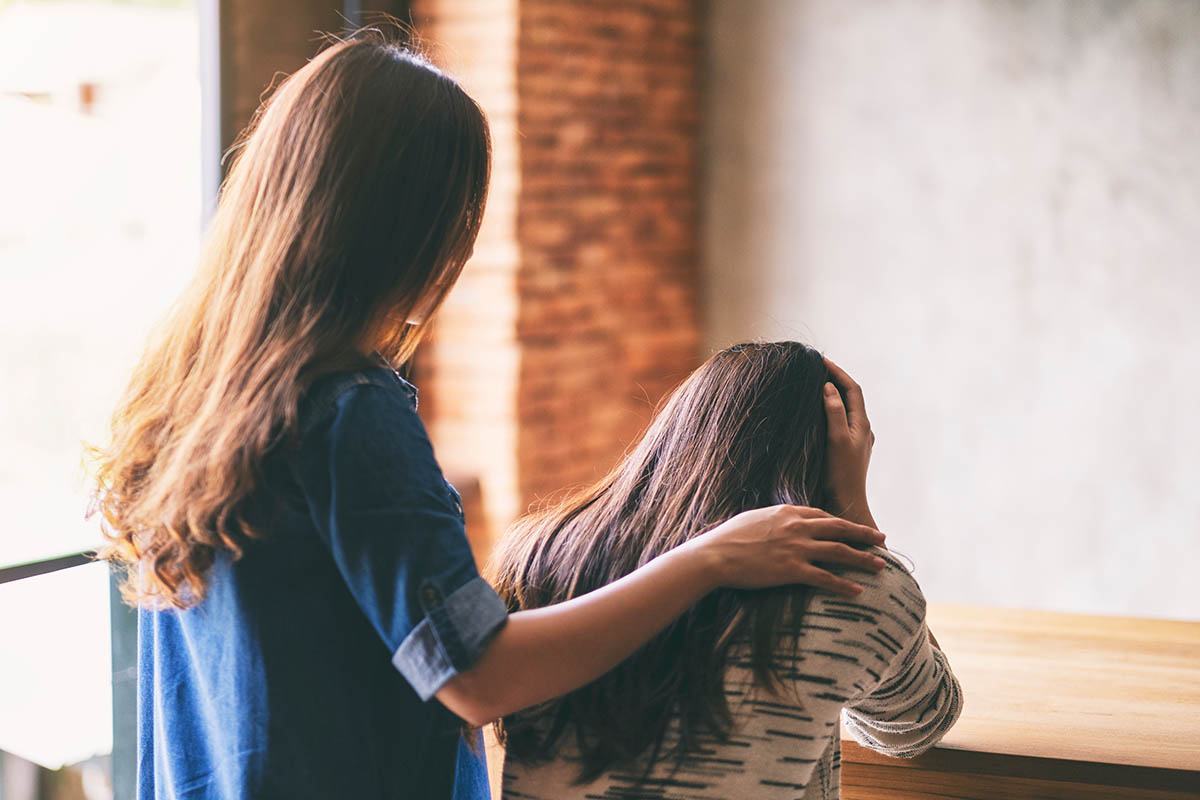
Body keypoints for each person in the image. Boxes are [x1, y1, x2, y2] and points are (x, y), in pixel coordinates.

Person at [87, 35, 888, 800]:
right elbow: (479, 675)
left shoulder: (192, 398)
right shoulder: (347, 413)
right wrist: (711, 559)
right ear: (408, 233)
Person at [490, 341, 964, 800]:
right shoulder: (853, 588)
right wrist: (853, 509)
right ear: (835, 454)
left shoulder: (537, 554)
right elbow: (922, 718)